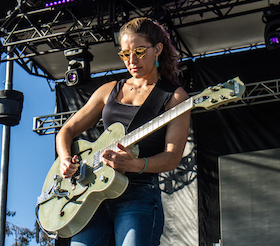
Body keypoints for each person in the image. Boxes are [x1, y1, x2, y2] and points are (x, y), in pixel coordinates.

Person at [57, 17, 191, 246]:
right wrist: (65, 159)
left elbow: (172, 156)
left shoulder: (175, 96)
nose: (131, 60)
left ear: (157, 49)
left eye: (139, 51)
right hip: (91, 196)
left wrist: (137, 165)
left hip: (137, 194)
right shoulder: (109, 90)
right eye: (124, 54)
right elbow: (66, 130)